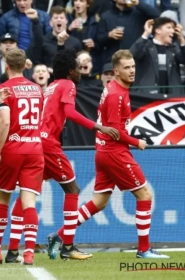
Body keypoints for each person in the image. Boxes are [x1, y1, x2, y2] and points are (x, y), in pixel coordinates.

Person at [75, 49, 170, 259]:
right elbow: (115, 132)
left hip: (103, 151)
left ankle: (61, 235)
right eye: (127, 68)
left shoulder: (113, 88)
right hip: (114, 152)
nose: (132, 71)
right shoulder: (117, 94)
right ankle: (144, 249)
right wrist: (137, 142)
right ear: (116, 71)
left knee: (99, 202)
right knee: (144, 194)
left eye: (133, 66)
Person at [41, 49, 119, 260]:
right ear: (69, 71)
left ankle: (14, 249)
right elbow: (69, 113)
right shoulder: (68, 84)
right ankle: (67, 247)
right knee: (73, 188)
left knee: (29, 191)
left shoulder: (50, 87)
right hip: (48, 144)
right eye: (77, 67)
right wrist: (98, 127)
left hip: (36, 142)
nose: (81, 70)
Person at [0, 49, 44, 266]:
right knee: (29, 202)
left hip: (12, 149)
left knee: (2, 200)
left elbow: (5, 122)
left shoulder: (4, 89)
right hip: (35, 150)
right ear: (24, 65)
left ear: (6, 66)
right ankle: (28, 253)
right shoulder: (38, 89)